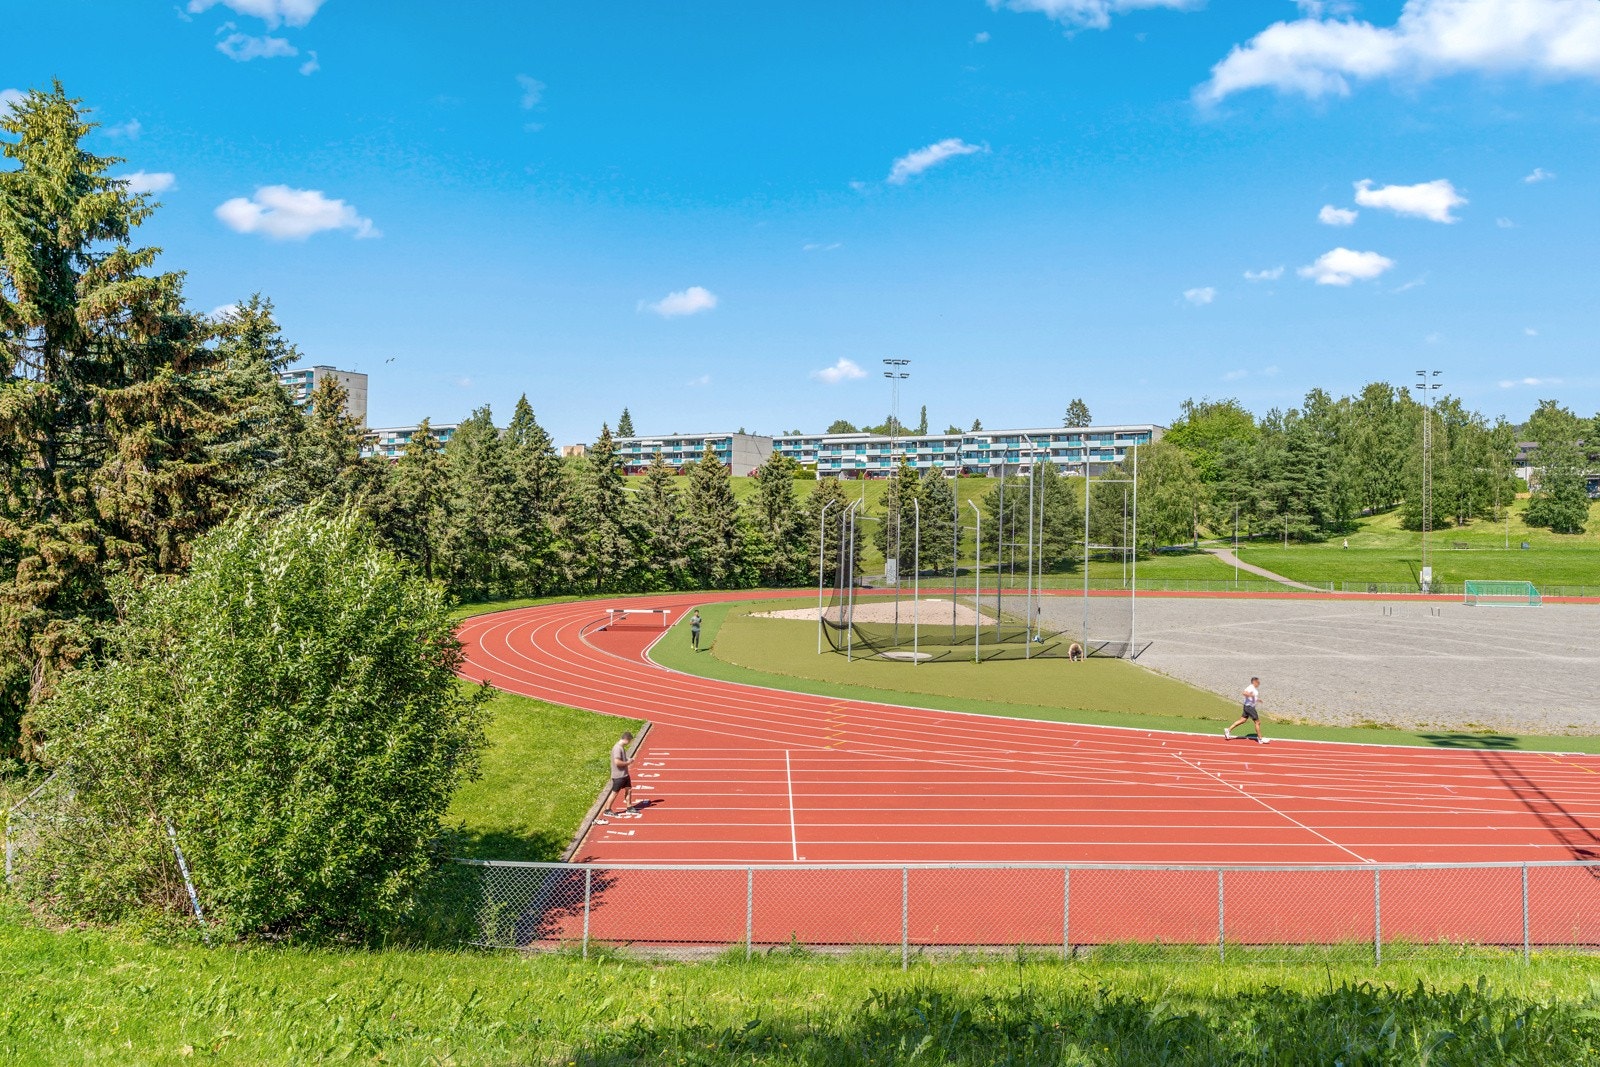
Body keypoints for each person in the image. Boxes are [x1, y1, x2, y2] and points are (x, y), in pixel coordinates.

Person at [1225, 677, 1268, 743]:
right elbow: (1244, 693)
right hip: (1249, 707)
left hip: (1247, 707)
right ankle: (1260, 739)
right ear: (1254, 682)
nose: (1259, 683)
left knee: (1242, 720)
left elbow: (1252, 697)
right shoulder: (1250, 687)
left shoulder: (1254, 688)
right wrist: (1251, 695)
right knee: (1257, 722)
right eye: (1258, 682)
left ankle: (1228, 730)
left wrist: (1257, 699)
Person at [604, 731, 635, 815]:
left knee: (628, 790)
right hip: (618, 775)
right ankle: (607, 810)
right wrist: (628, 763)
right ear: (626, 739)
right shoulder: (617, 748)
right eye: (629, 741)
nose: (629, 743)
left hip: (625, 775)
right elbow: (617, 762)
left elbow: (622, 758)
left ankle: (629, 807)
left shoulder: (621, 747)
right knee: (615, 792)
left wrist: (628, 759)